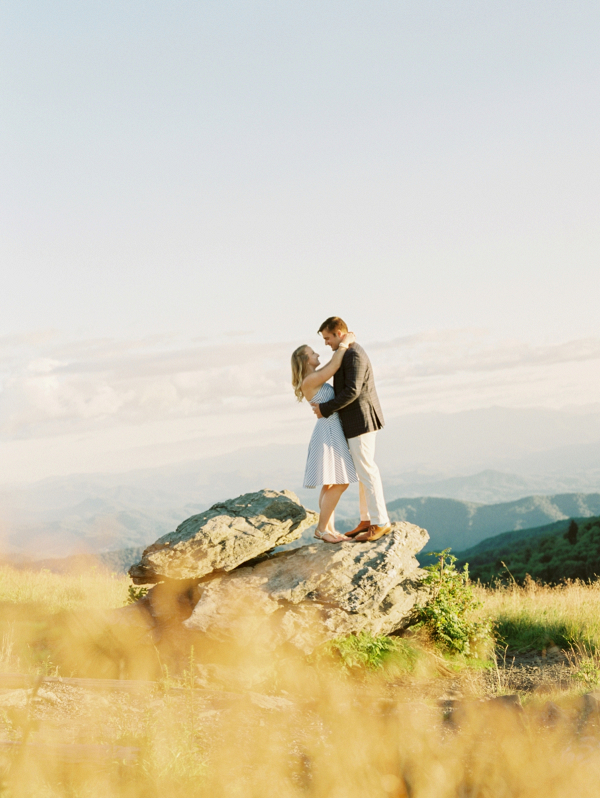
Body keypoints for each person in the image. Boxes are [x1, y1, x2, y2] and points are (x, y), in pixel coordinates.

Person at [311, 317, 391, 542]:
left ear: (338, 333)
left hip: (361, 421)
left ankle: (381, 522)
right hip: (357, 421)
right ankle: (367, 520)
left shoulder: (354, 354)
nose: (326, 343)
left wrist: (324, 409)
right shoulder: (347, 352)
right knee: (363, 472)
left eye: (327, 338)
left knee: (367, 471)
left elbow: (353, 391)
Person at [291, 332, 358, 543]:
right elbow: (334, 365)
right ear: (305, 360)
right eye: (312, 353)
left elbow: (330, 366)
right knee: (341, 483)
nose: (317, 353)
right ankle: (321, 529)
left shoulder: (312, 377)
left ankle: (329, 529)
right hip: (328, 432)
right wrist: (345, 343)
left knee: (331, 484)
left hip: (330, 431)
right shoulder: (310, 379)